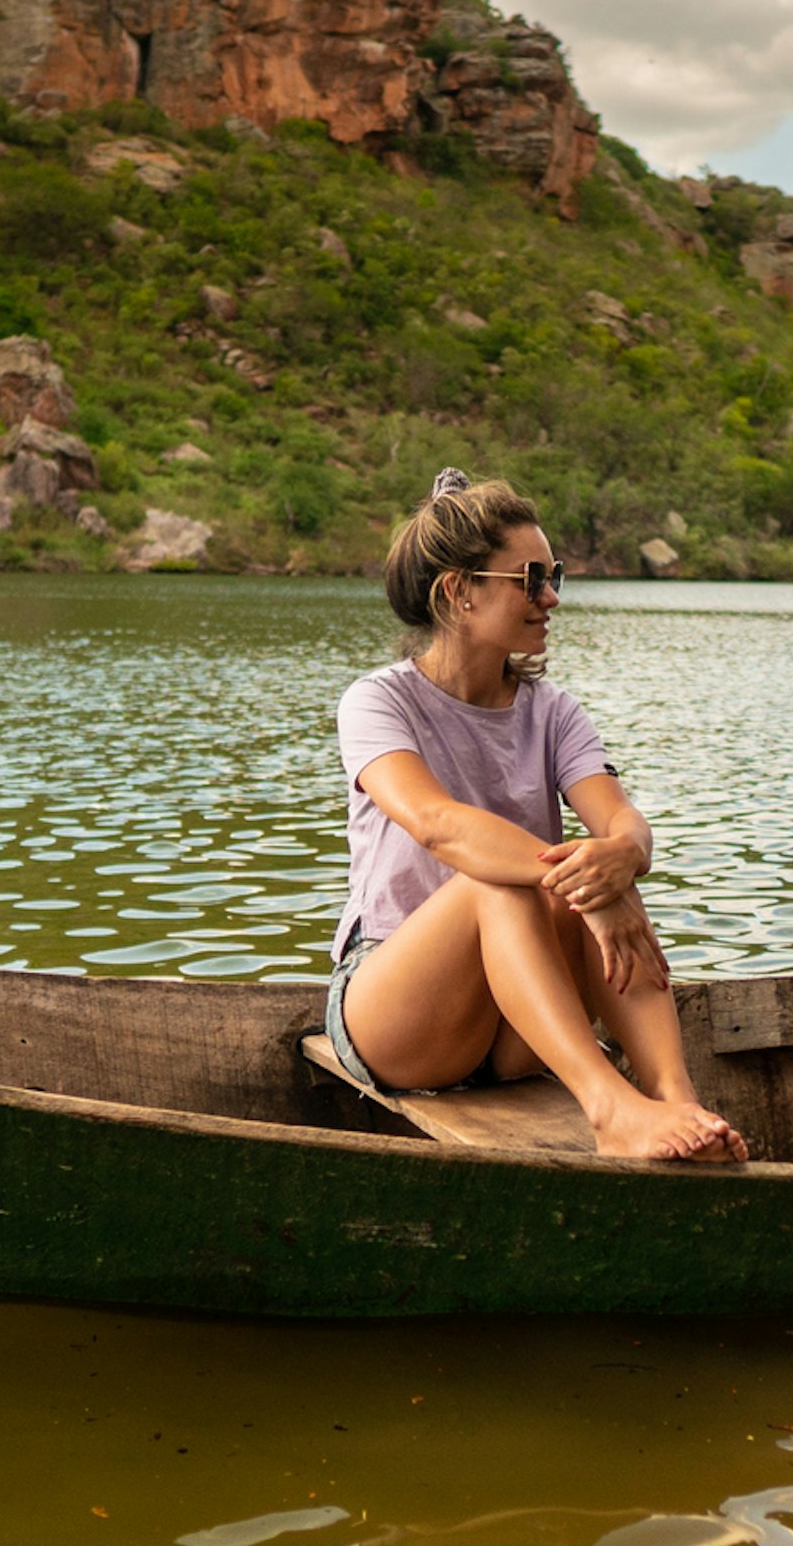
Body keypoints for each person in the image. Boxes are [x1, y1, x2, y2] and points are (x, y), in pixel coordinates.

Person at [320, 472, 748, 1163]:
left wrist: (621, 863)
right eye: (531, 578)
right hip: (400, 1016)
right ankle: (610, 1108)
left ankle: (675, 1098)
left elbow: (625, 825)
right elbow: (439, 824)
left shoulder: (553, 711)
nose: (550, 597)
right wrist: (586, 886)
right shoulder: (378, 702)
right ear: (460, 591)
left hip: (519, 1027)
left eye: (555, 576)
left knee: (603, 867)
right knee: (496, 881)